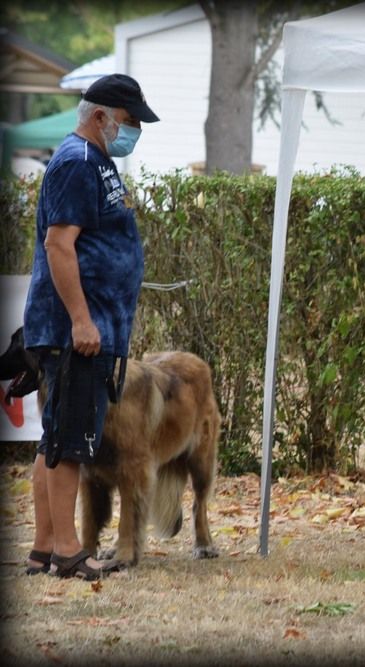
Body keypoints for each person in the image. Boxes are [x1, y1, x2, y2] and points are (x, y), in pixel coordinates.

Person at [22, 74, 159, 580]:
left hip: (92, 326)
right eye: (129, 122)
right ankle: (67, 552)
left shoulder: (95, 161)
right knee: (69, 444)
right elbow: (60, 244)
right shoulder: (78, 163)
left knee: (55, 438)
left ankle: (43, 549)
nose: (134, 131)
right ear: (100, 116)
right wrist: (81, 319)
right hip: (75, 330)